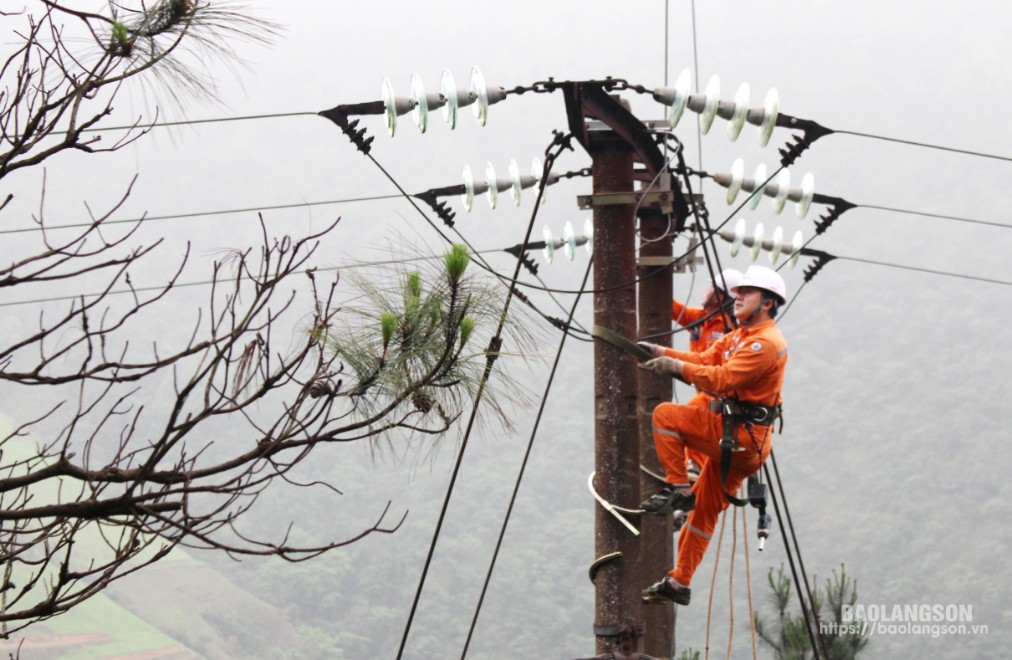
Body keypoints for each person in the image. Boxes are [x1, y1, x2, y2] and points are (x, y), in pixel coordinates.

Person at [636, 265, 789, 606]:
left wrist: (674, 367)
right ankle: (680, 581)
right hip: (742, 443)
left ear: (766, 302)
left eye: (746, 293)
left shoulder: (765, 343)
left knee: (666, 416)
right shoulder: (739, 336)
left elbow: (720, 380)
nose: (737, 296)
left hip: (740, 438)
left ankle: (678, 487)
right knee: (704, 513)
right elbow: (704, 358)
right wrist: (664, 353)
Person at [669, 268, 742, 483]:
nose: (706, 291)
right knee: (689, 416)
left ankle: (694, 465)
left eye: (712, 288)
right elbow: (674, 310)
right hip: (704, 387)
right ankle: (687, 473)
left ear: (720, 296)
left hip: (721, 393)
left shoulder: (730, 327)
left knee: (694, 413)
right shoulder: (701, 319)